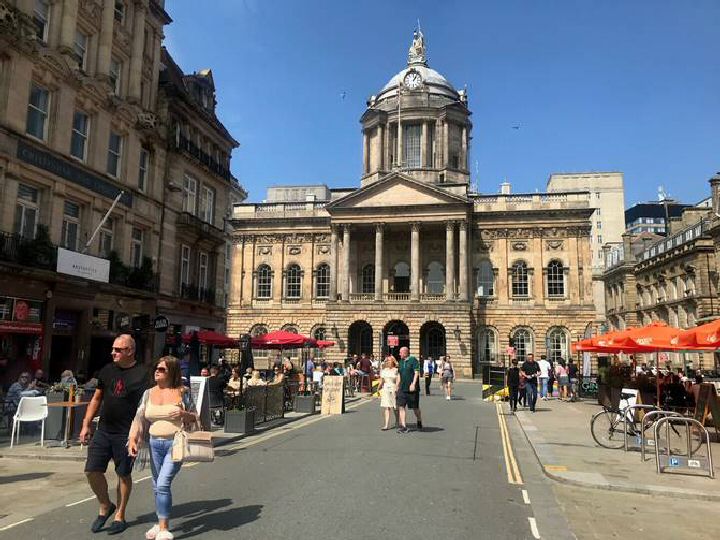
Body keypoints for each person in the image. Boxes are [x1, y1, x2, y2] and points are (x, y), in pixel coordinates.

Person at [80, 334, 149, 535]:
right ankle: (105, 505)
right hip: (104, 429)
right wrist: (86, 424)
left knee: (123, 474)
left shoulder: (143, 374)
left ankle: (120, 514)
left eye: (118, 350)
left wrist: (138, 434)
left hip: (126, 433)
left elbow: (147, 405)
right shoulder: (107, 370)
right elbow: (96, 398)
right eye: (113, 349)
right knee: (91, 470)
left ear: (130, 351)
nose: (113, 353)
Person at [128, 356, 198, 540]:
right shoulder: (148, 393)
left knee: (163, 484)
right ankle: (160, 523)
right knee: (156, 485)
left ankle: (164, 528)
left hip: (175, 443)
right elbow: (139, 418)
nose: (156, 372)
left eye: (162, 369)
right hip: (154, 443)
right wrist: (133, 439)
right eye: (156, 369)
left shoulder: (183, 392)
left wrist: (183, 413)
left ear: (172, 372)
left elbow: (196, 417)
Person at [396, 346, 422, 432]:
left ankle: (419, 419)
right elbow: (399, 375)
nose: (399, 354)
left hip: (412, 389)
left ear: (405, 352)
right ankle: (403, 426)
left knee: (415, 408)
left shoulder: (413, 360)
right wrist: (397, 386)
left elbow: (416, 372)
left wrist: (413, 384)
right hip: (402, 389)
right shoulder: (400, 362)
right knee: (401, 407)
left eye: (400, 352)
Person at [377, 356, 399, 430]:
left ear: (393, 361)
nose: (388, 362)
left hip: (393, 388)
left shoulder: (396, 370)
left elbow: (398, 380)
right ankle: (386, 425)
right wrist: (377, 389)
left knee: (395, 407)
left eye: (390, 360)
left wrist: (397, 388)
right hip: (385, 388)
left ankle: (397, 421)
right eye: (387, 361)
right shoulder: (384, 370)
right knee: (387, 407)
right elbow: (382, 381)